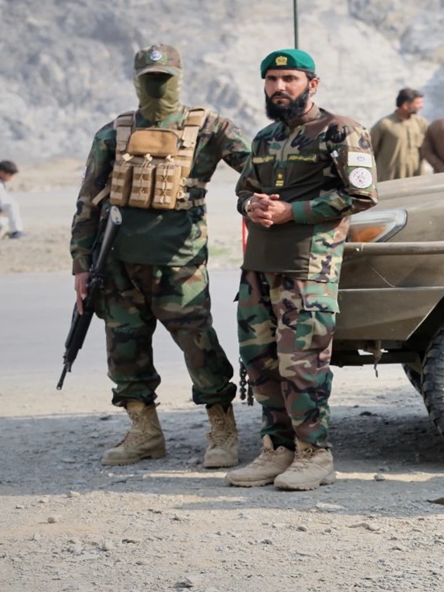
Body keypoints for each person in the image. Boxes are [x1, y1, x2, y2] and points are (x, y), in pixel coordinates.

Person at [70, 44, 251, 468]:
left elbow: (259, 169)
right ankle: (144, 431)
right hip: (117, 266)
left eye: (164, 79)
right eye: (150, 78)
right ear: (136, 81)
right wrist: (80, 266)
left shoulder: (210, 128)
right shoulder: (113, 133)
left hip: (179, 265)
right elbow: (87, 204)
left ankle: (222, 428)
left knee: (199, 347)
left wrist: (262, 201)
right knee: (124, 349)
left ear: (178, 79)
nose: (157, 86)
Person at [226, 48, 377, 491]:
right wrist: (251, 205)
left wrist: (293, 212)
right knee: (260, 362)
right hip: (259, 266)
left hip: (308, 268)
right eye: (272, 80)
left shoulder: (340, 131)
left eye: (289, 79)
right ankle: (278, 450)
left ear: (312, 84)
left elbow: (361, 196)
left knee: (302, 365)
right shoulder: (264, 138)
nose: (279, 87)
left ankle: (314, 454)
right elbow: (243, 190)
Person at [369, 88, 428, 181]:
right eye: (418, 103)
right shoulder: (385, 124)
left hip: (415, 179)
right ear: (405, 105)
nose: (421, 106)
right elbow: (370, 151)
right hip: (390, 180)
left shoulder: (421, 123)